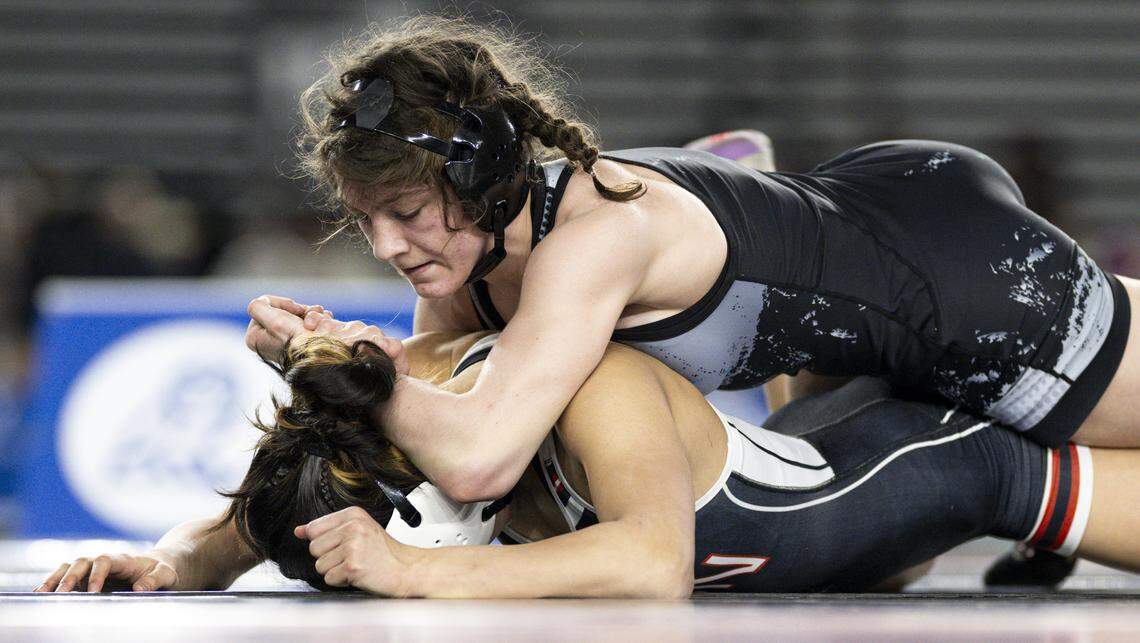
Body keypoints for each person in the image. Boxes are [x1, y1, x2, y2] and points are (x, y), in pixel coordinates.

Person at [246, 16, 1137, 509]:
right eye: (366, 220)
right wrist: (189, 551)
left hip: (961, 283)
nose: (387, 249)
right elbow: (426, 432)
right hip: (851, 250)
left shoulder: (585, 243)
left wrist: (330, 365)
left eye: (403, 213)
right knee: (858, 534)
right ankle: (737, 177)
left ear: (481, 169)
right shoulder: (470, 255)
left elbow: (480, 460)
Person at [36, 331, 1140, 596]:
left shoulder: (579, 384)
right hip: (809, 454)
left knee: (978, 464)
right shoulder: (395, 404)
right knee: (818, 430)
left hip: (942, 469)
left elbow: (655, 562)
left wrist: (412, 572)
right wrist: (178, 560)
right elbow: (267, 503)